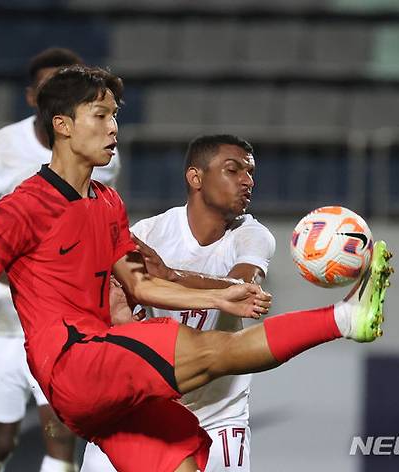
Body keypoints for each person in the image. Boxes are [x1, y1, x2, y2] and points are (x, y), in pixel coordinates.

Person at [0, 66, 393, 472]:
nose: (114, 129)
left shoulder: (107, 203)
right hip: (74, 361)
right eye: (101, 116)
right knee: (217, 352)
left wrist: (215, 296)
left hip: (98, 380)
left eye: (115, 116)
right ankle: (343, 319)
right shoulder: (23, 207)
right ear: (63, 125)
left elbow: (141, 282)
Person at [0, 49, 119, 472]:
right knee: (2, 441)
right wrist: (14, 275)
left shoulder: (102, 152)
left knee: (60, 440)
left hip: (60, 329)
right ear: (35, 99)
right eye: (49, 87)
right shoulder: (0, 151)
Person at [81, 134, 275, 472]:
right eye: (234, 170)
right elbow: (114, 319)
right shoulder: (150, 232)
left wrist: (171, 276)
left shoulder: (253, 235)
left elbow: (243, 288)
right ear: (196, 177)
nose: (248, 181)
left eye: (250, 172)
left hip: (216, 420)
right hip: (143, 411)